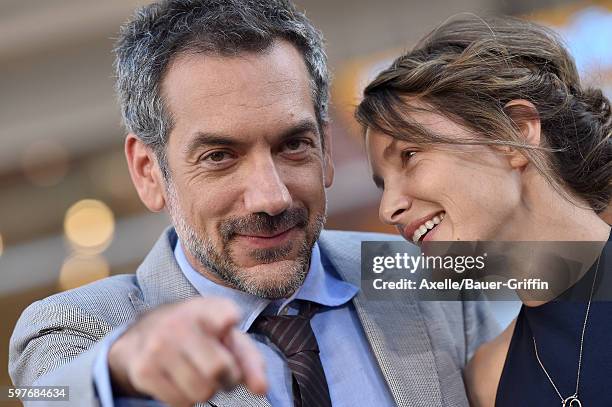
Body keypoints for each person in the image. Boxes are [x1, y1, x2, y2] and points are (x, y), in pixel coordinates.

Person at [8, 1, 498, 406]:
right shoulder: (87, 326)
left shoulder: (415, 271)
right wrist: (121, 368)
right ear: (148, 171)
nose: (271, 196)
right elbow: (50, 393)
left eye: (292, 145)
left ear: (326, 149)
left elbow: (563, 282)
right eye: (220, 156)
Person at [357, 15, 612, 407]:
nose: (389, 208)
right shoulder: (487, 380)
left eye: (409, 156)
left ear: (515, 132)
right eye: (382, 184)